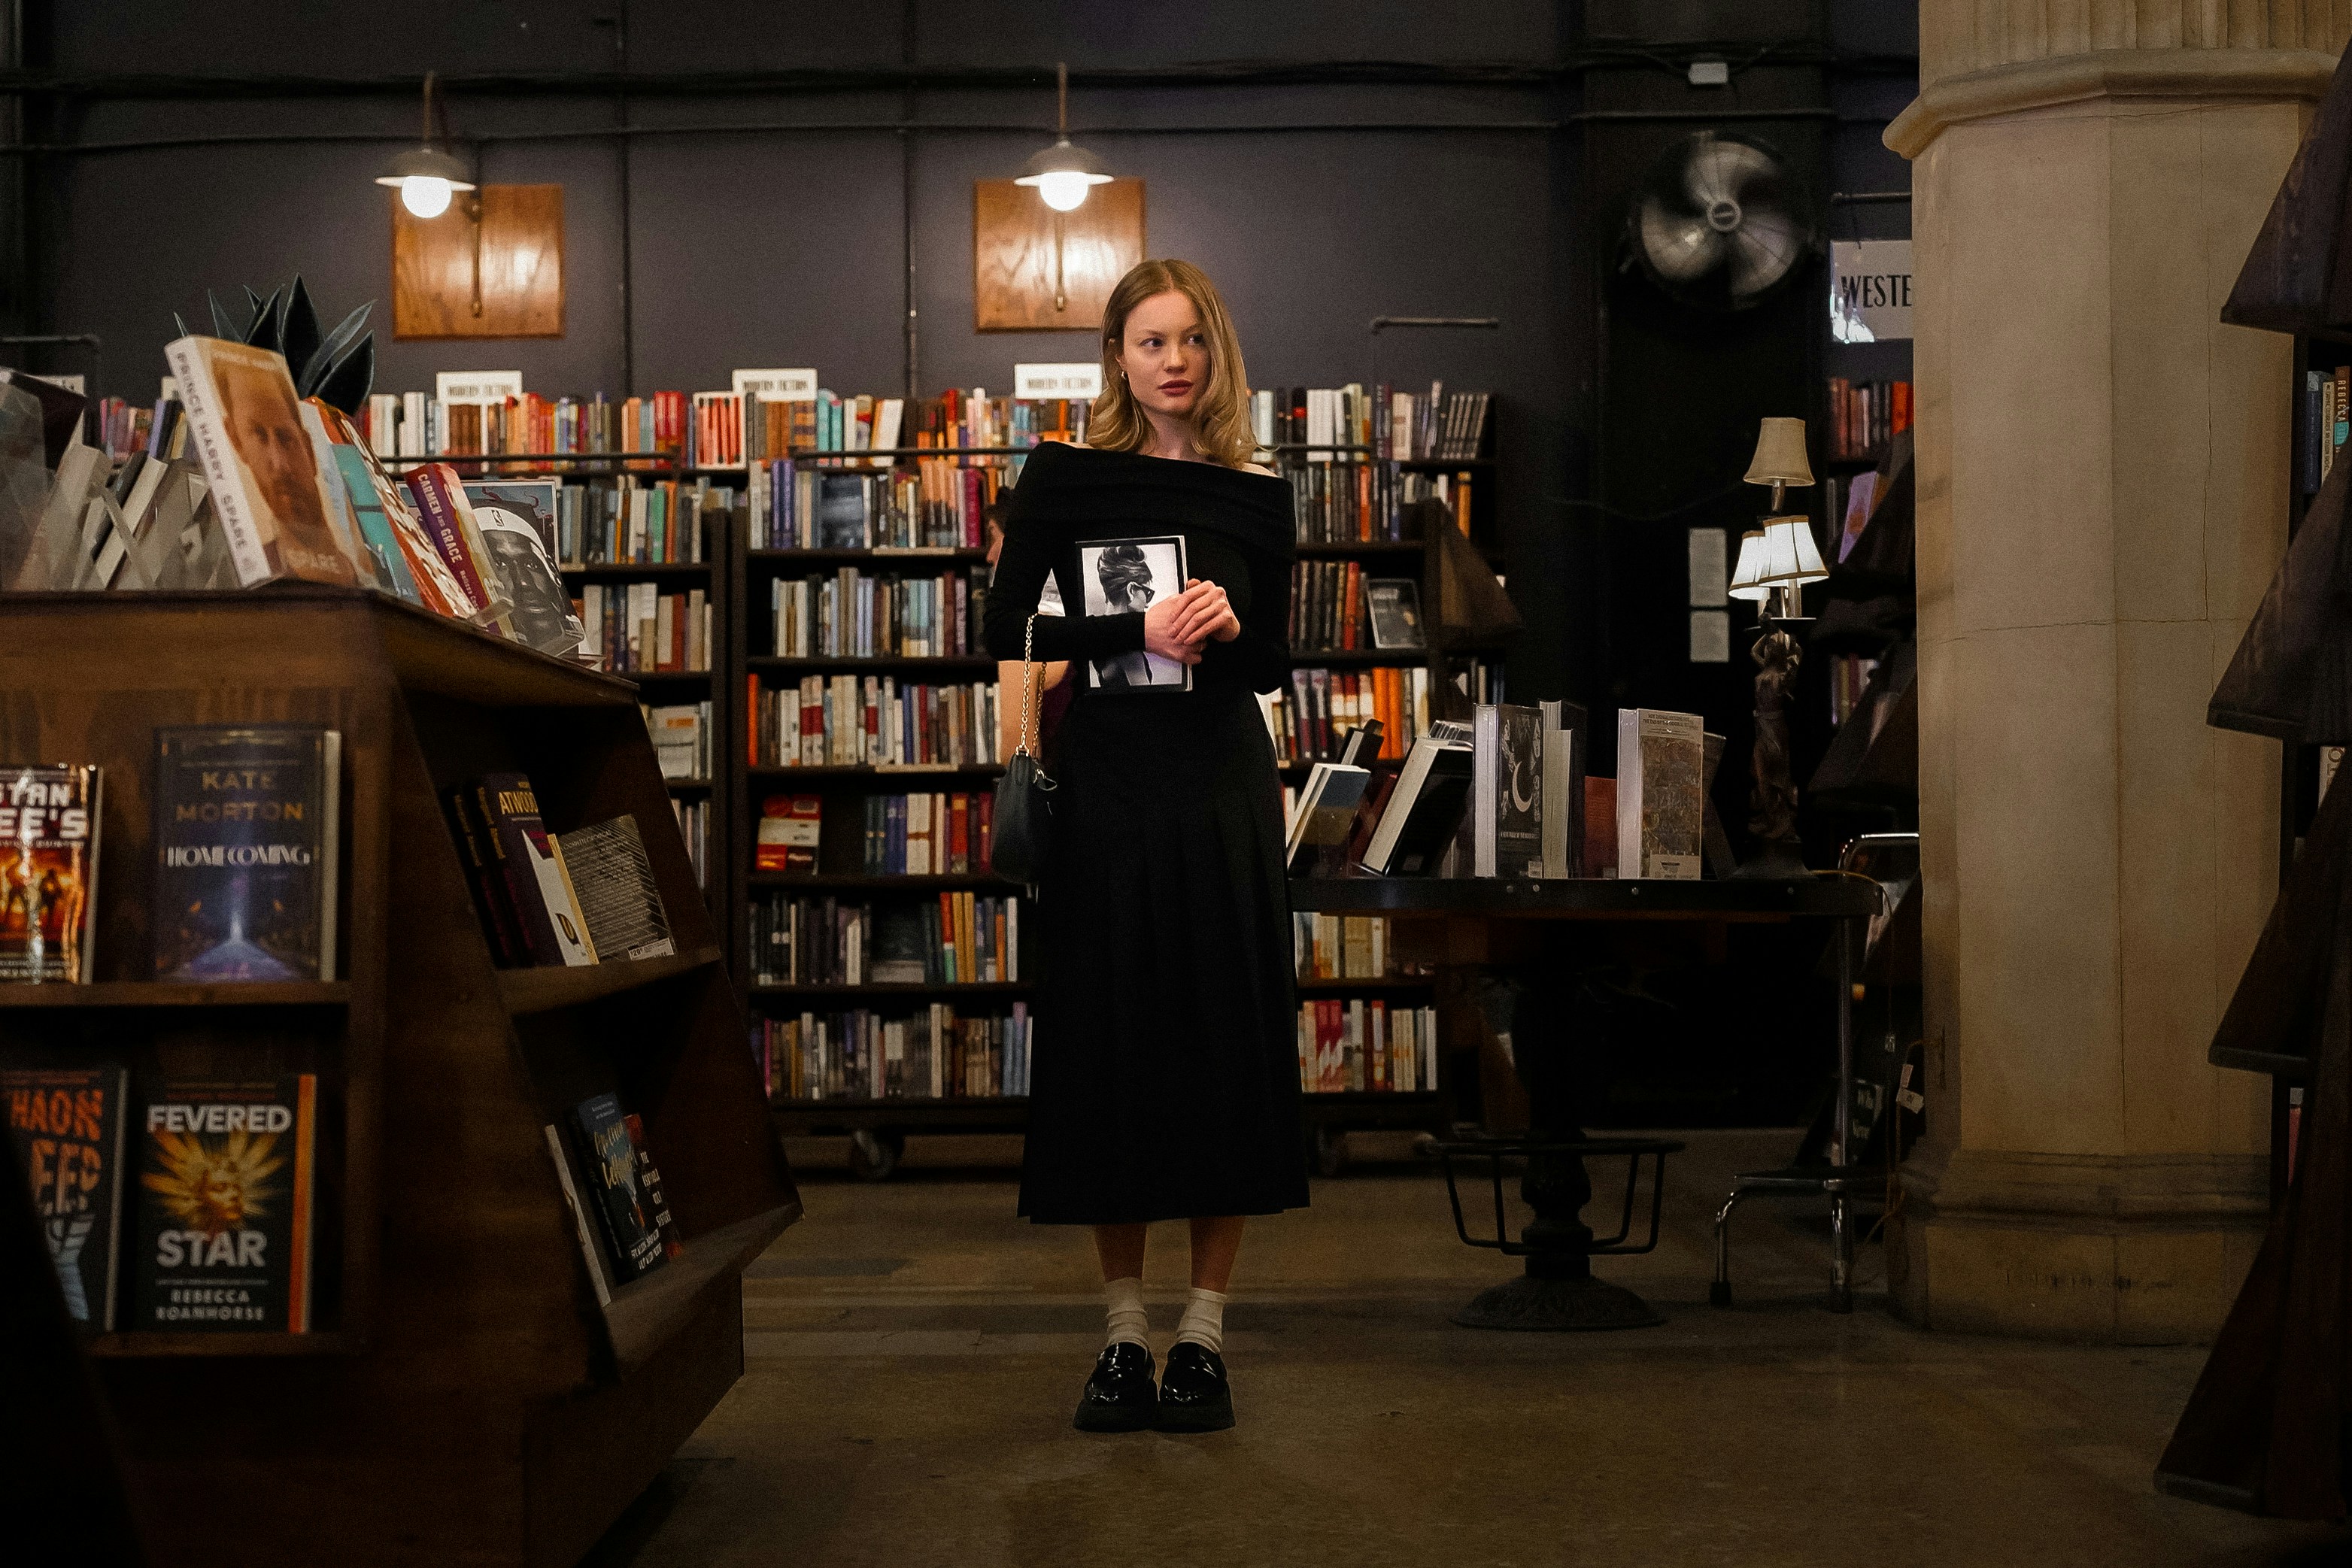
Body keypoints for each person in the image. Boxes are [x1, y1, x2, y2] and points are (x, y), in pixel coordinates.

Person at [982, 257, 1303, 1436]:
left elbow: (1275, 663)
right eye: (1150, 340)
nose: (1174, 361)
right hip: (1106, 786)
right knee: (1109, 1042)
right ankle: (1122, 1333)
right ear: (1116, 355)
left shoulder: (1256, 493)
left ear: (1216, 355)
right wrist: (1137, 622)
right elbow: (1004, 626)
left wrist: (1223, 631)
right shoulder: (1066, 478)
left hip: (1218, 780)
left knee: (1223, 1036)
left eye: (1193, 341)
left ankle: (1204, 1336)